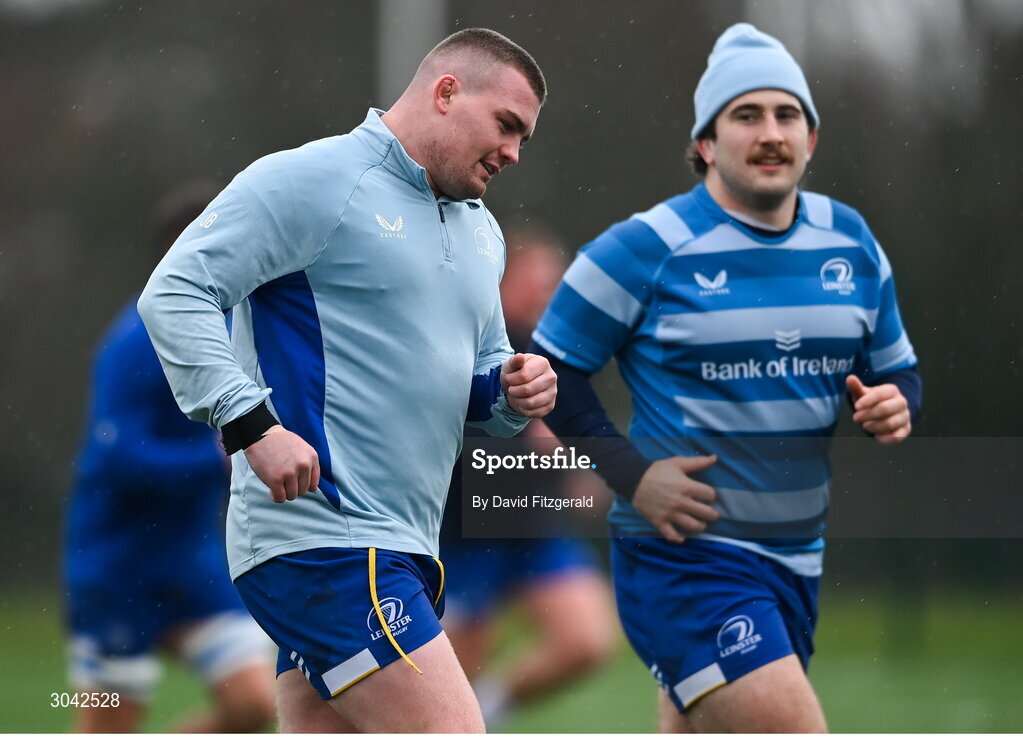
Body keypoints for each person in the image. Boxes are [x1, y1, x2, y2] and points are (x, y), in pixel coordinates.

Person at [137, 28, 556, 733]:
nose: (513, 152)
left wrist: (514, 392)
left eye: (524, 137)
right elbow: (175, 292)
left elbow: (478, 386)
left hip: (407, 550)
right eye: (506, 125)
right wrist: (252, 427)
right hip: (324, 541)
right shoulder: (315, 178)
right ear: (446, 93)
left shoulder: (484, 234)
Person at [530, 23, 922, 733]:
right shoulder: (643, 247)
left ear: (811, 139)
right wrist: (631, 473)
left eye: (786, 115)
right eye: (745, 115)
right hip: (685, 560)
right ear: (705, 144)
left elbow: (895, 371)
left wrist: (896, 404)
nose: (770, 132)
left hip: (797, 559)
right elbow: (549, 371)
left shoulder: (851, 241)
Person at [63, 182, 276, 733]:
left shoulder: (230, 329)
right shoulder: (132, 343)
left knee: (254, 705)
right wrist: (218, 458)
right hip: (116, 565)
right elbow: (115, 460)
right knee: (108, 724)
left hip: (189, 560)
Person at [440, 224, 617, 729]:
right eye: (535, 282)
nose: (546, 295)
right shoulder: (472, 340)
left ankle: (487, 711)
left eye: (552, 285)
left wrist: (579, 470)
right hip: (466, 531)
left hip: (534, 528)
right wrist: (529, 443)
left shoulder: (563, 353)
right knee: (450, 670)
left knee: (586, 641)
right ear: (501, 281)